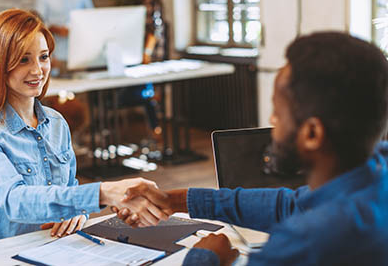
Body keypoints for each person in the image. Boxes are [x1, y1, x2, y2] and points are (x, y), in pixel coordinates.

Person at [114, 32, 388, 265]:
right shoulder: (376, 171)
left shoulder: (304, 243)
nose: (272, 121)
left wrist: (204, 259)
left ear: (312, 134)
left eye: (278, 114)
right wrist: (176, 200)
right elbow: (292, 205)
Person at [0, 9, 168, 244]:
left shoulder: (56, 123)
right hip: (4, 255)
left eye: (43, 57)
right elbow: (15, 200)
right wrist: (103, 193)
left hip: (60, 246)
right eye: (24, 59)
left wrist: (78, 213)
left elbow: (69, 189)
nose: (38, 70)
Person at [116, 0, 166, 137]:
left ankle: (155, 130)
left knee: (147, 94)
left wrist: (146, 54)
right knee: (147, 94)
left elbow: (153, 31)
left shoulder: (150, 2)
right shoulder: (144, 3)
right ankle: (155, 129)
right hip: (146, 56)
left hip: (150, 56)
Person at [35, 0, 93, 75]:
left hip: (81, 52)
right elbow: (38, 24)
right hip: (58, 54)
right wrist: (54, 28)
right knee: (60, 86)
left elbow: (91, 16)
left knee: (82, 85)